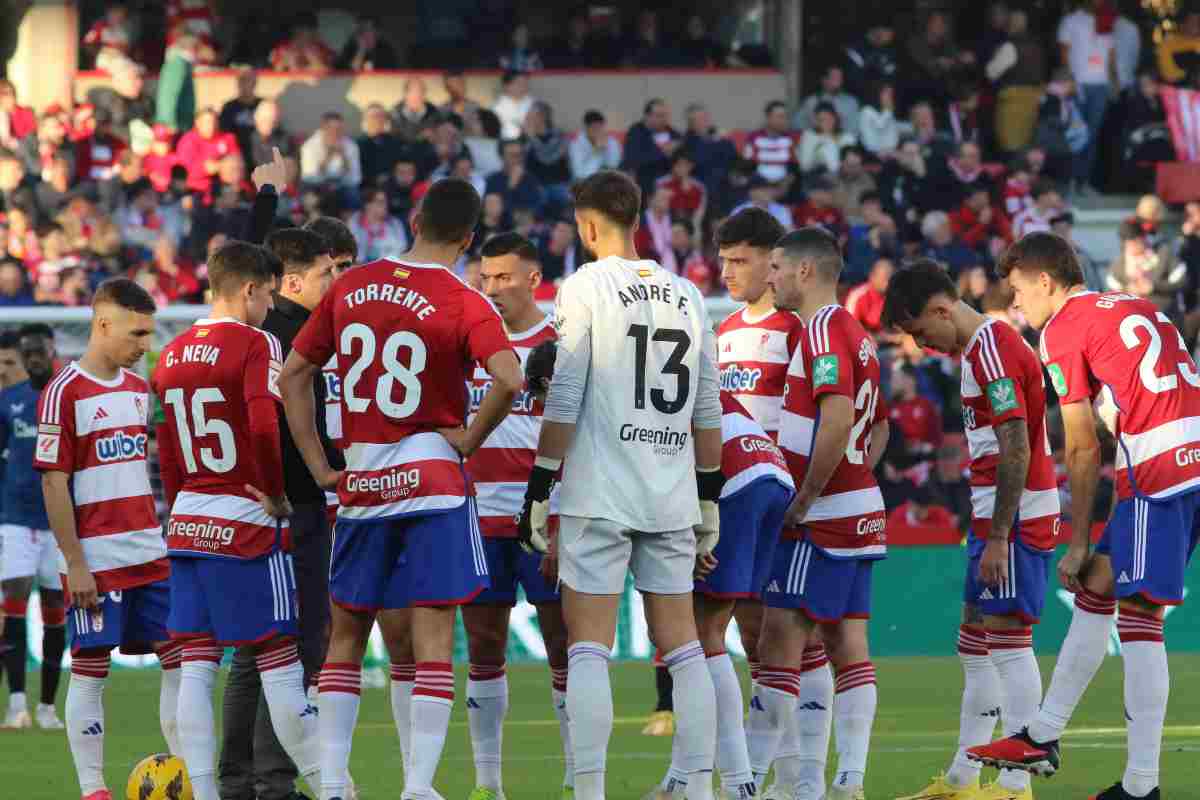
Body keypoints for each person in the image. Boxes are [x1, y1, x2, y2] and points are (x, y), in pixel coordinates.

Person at [278, 178, 523, 800]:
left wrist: (317, 462)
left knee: (345, 636)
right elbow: (511, 377)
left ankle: (333, 784)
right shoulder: (466, 300)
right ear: (468, 239)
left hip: (362, 481)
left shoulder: (351, 286)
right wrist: (467, 438)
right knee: (434, 637)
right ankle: (418, 786)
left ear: (414, 219)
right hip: (433, 478)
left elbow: (295, 373)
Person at [968, 232, 1200, 800]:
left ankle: (1143, 786)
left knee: (1140, 615)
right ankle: (1042, 735)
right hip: (1183, 454)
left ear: (1045, 281)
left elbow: (1079, 445)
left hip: (1160, 467)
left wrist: (1076, 539)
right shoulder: (1134, 305)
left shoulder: (1062, 328)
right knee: (1100, 587)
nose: (1017, 305)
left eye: (1019, 291)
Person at [515, 170, 722, 800]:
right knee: (683, 646)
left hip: (600, 488)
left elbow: (568, 392)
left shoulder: (583, 287)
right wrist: (708, 496)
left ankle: (590, 791)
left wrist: (540, 485)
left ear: (586, 225)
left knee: (588, 648)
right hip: (670, 487)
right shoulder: (687, 292)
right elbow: (707, 407)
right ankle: (693, 784)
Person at [884, 259, 1061, 800]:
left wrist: (1001, 535)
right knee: (974, 642)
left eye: (920, 332)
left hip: (1015, 515)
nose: (923, 345)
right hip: (991, 514)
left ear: (941, 309)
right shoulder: (977, 352)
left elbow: (1016, 446)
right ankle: (962, 778)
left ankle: (1014, 783)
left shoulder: (993, 348)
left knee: (1008, 642)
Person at [152, 241, 321, 800]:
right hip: (244, 522)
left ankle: (203, 791)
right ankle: (332, 786)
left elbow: (168, 449)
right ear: (249, 289)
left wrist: (180, 504)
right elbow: (263, 423)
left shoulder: (171, 352)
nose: (270, 303)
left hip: (188, 522)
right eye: (268, 292)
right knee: (279, 658)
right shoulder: (256, 343)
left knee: (198, 664)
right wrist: (274, 493)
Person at [748, 228, 888, 800]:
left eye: (777, 266)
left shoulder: (824, 328)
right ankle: (846, 780)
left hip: (822, 516)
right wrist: (855, 478)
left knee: (778, 641)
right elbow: (877, 427)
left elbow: (834, 419)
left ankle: (750, 779)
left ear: (806, 272)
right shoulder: (859, 335)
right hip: (860, 508)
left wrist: (804, 499)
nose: (769, 276)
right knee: (846, 646)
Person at [35, 278, 181, 800]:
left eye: (148, 334)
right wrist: (75, 562)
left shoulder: (140, 390)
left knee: (180, 658)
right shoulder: (63, 392)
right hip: (97, 557)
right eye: (137, 333)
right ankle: (94, 788)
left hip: (150, 550)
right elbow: (54, 481)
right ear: (103, 324)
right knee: (93, 669)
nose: (144, 345)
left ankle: (187, 773)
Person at [713, 208, 835, 800]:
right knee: (753, 633)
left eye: (741, 260)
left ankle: (802, 777)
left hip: (793, 501)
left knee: (795, 637)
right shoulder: (723, 332)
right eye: (724, 260)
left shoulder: (802, 331)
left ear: (774, 262)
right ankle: (782, 776)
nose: (729, 271)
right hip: (741, 501)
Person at [460, 233, 573, 800]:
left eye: (504, 277)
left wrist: (562, 520)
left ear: (533, 279)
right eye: (485, 277)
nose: (492, 287)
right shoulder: (466, 343)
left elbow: (579, 438)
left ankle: (579, 778)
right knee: (483, 650)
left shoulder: (562, 344)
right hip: (477, 519)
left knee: (564, 649)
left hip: (544, 521)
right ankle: (489, 785)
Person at [0, 324, 65, 731]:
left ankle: (47, 707)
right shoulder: (8, 402)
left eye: (38, 349)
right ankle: (17, 704)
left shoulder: (66, 399)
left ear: (51, 349)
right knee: (16, 604)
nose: (33, 357)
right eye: (27, 352)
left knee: (57, 611)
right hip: (15, 520)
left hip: (57, 521)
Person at [300, 112, 362, 211]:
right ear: (323, 128)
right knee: (311, 197)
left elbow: (355, 178)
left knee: (353, 194)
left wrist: (344, 157)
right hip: (317, 186)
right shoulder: (309, 147)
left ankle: (348, 224)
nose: (335, 133)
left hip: (342, 186)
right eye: (331, 128)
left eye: (339, 129)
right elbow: (309, 177)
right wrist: (328, 156)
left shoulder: (351, 146)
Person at [622, 99, 682, 192]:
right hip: (645, 182)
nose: (664, 119)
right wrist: (662, 152)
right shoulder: (636, 132)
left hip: (670, 183)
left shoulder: (674, 134)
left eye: (666, 115)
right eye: (659, 116)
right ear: (647, 116)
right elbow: (633, 159)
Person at [793, 65, 861, 138]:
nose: (838, 82)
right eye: (834, 78)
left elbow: (854, 131)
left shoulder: (851, 102)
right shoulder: (811, 102)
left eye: (840, 78)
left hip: (843, 143)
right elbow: (797, 125)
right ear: (824, 80)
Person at [742, 101, 799, 184]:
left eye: (785, 117)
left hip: (785, 186)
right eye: (780, 117)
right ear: (768, 118)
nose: (784, 120)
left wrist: (785, 183)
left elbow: (795, 167)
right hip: (759, 182)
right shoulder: (754, 138)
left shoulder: (791, 139)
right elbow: (747, 164)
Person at [348, 187, 409, 262]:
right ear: (368, 205)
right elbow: (352, 252)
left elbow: (403, 248)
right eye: (380, 202)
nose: (385, 206)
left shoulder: (395, 224)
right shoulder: (355, 223)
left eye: (385, 202)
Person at [569, 110, 622, 181]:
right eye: (594, 128)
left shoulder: (612, 142)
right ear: (586, 128)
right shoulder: (575, 145)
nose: (598, 131)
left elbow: (613, 165)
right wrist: (597, 152)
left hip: (606, 182)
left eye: (600, 128)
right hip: (584, 184)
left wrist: (606, 150)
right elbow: (580, 175)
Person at [845, 257, 894, 334]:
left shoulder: (893, 295)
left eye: (890, 277)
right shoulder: (857, 296)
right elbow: (849, 328)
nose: (887, 282)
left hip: (887, 339)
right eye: (884, 277)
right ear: (872, 276)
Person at [492, 71, 536, 141]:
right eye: (519, 83)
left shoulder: (534, 104)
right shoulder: (496, 107)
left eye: (525, 83)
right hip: (506, 144)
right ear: (506, 86)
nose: (523, 87)